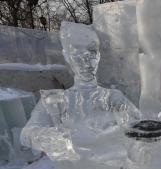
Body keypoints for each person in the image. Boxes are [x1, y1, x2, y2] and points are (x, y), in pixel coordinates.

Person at [21, 22, 141, 160]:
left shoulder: (112, 97)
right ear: (66, 56)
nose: (86, 62)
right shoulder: (55, 100)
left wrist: (115, 121)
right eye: (77, 53)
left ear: (98, 56)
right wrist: (47, 137)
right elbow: (26, 134)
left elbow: (139, 124)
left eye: (91, 52)